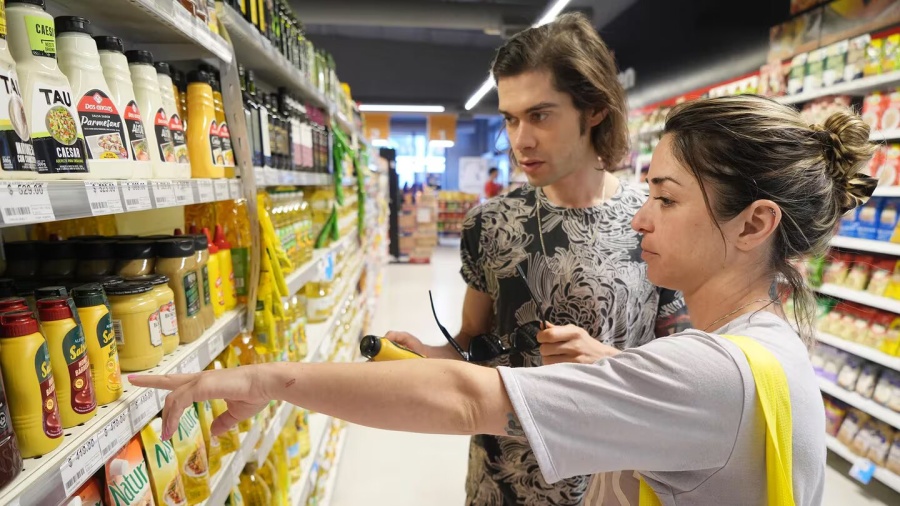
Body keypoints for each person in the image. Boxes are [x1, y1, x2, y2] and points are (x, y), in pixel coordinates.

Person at [133, 95, 877, 506]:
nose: (639, 219)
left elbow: (466, 399)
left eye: (666, 197)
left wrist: (269, 380)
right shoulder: (762, 348)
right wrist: (613, 365)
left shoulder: (712, 374)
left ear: (754, 224)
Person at [384, 12, 687, 505]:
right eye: (510, 118)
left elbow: (682, 372)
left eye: (540, 115)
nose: (520, 139)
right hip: (504, 480)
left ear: (594, 109)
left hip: (610, 482)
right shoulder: (490, 224)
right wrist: (427, 355)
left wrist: (609, 362)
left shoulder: (652, 220)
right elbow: (473, 342)